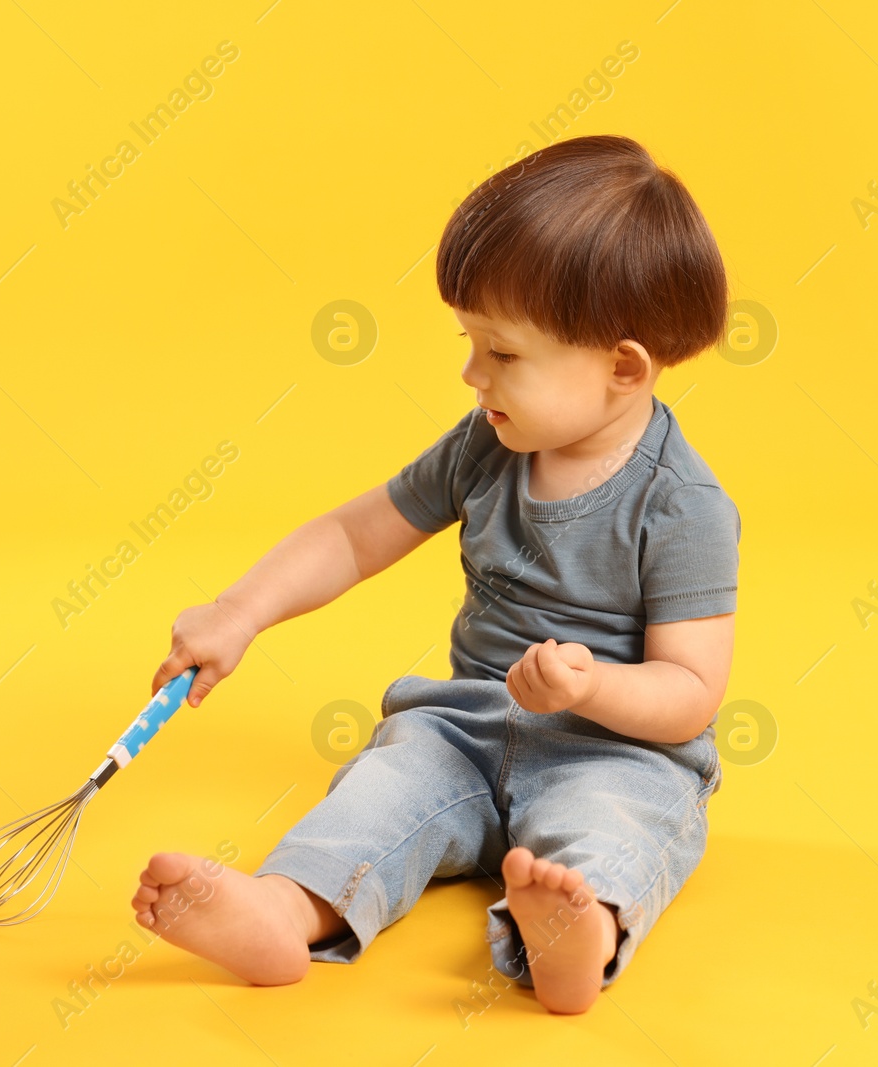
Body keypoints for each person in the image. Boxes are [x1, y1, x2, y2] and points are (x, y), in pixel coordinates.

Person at [130, 133, 741, 1015]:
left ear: (621, 366)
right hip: (465, 729)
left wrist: (589, 684)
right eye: (469, 341)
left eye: (502, 352)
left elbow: (690, 691)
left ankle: (577, 933)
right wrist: (239, 611)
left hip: (617, 748)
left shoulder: (682, 504)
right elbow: (353, 533)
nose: (470, 373)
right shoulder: (486, 445)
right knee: (383, 786)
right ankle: (284, 907)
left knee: (619, 826)